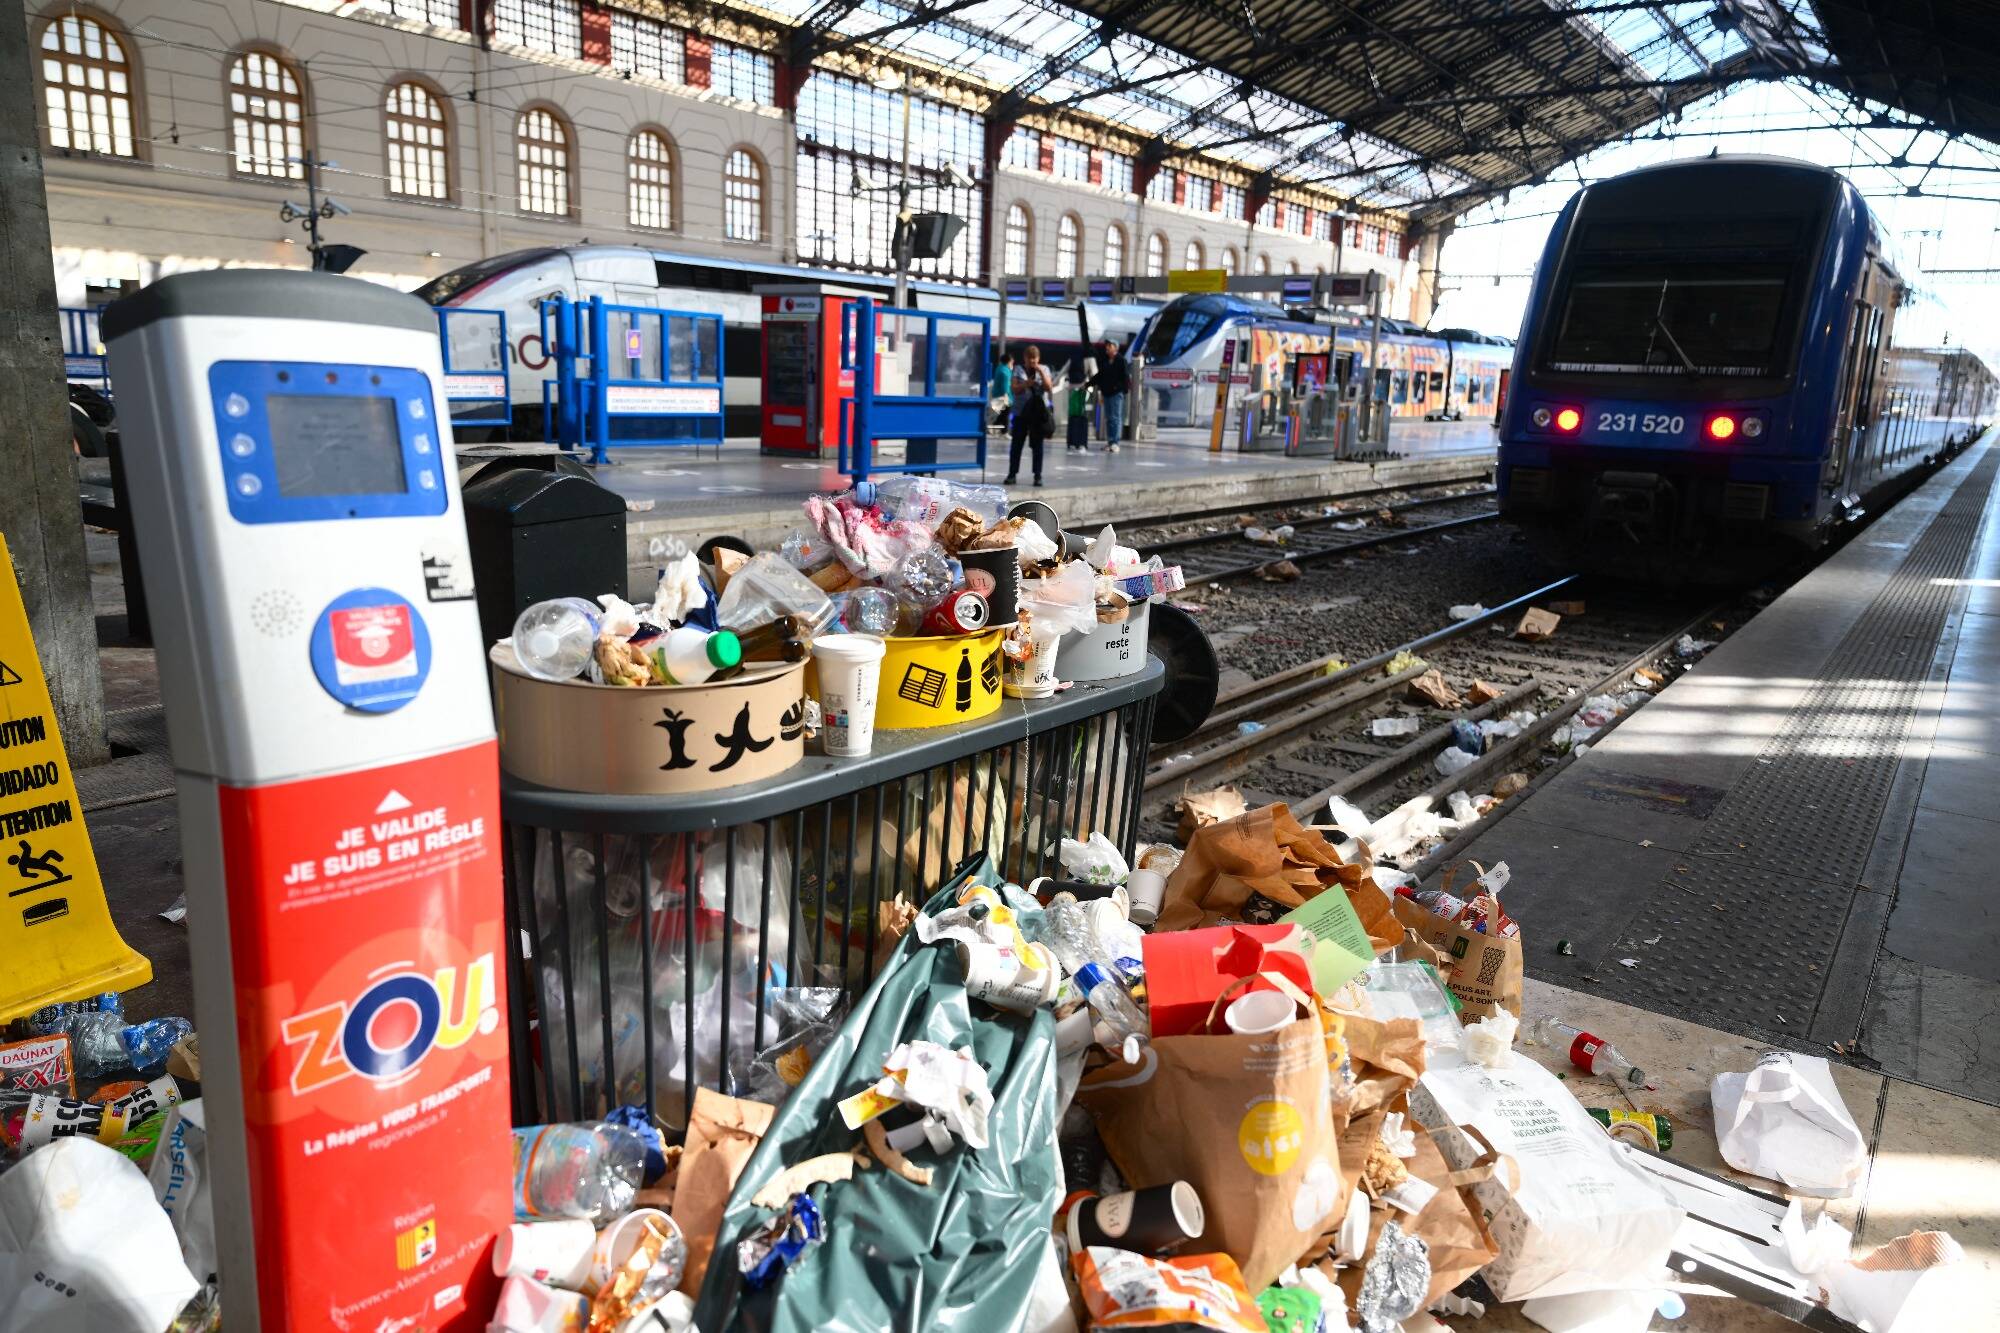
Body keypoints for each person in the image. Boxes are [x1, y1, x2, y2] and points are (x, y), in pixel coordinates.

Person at [1005, 345, 1054, 487]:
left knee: (1038, 446)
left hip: (1037, 414)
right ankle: (1012, 474)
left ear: (1038, 358)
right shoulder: (1019, 370)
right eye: (1029, 358)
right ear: (1025, 358)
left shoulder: (1044, 369)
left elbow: (1049, 387)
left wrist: (1040, 372)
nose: (1032, 361)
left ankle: (1037, 475)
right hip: (1021, 412)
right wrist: (1026, 384)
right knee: (1017, 444)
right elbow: (1014, 389)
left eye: (1035, 358)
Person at [1088, 338, 1130, 454]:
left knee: (1115, 418)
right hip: (1106, 393)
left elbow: (1125, 377)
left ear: (1116, 348)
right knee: (1108, 418)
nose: (1107, 347)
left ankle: (1115, 442)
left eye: (1110, 345)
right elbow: (1100, 376)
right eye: (1107, 345)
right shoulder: (1106, 361)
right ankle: (1110, 441)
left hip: (1116, 394)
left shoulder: (1121, 360)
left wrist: (1120, 389)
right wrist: (1089, 384)